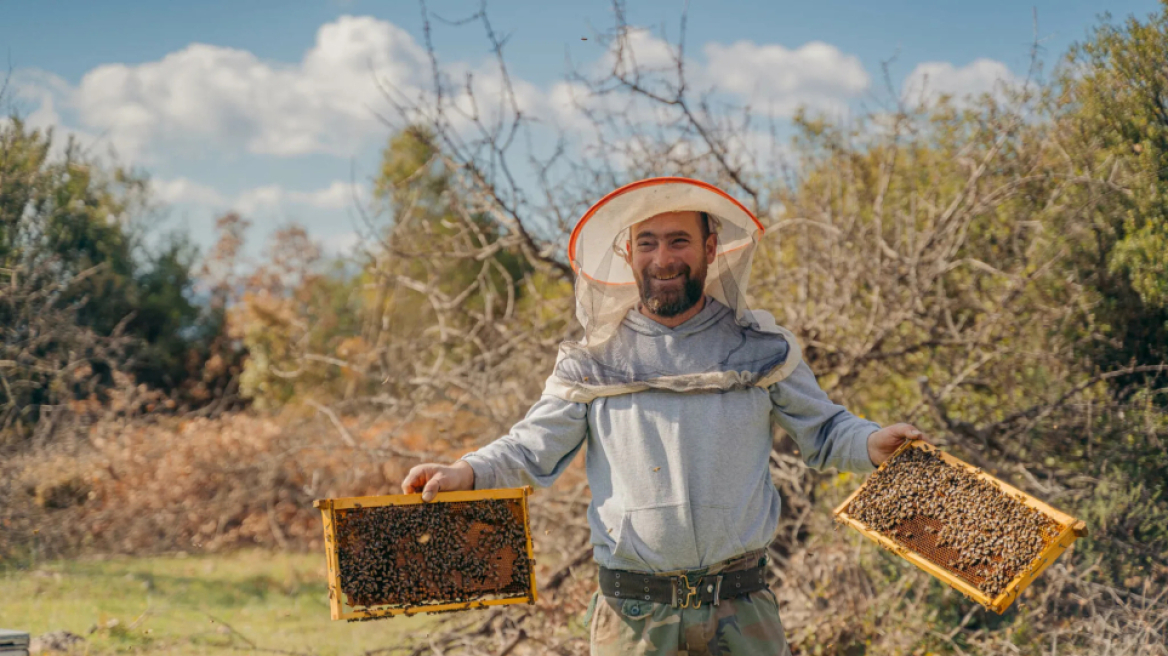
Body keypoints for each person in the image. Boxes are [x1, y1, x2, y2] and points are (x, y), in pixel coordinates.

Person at [402, 177, 925, 655]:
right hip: (634, 618)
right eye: (647, 243)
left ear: (711, 249)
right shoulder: (593, 359)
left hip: (742, 610)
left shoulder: (760, 348)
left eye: (679, 241)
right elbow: (528, 448)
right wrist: (465, 472)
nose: (663, 258)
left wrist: (872, 442)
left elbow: (828, 430)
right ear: (628, 254)